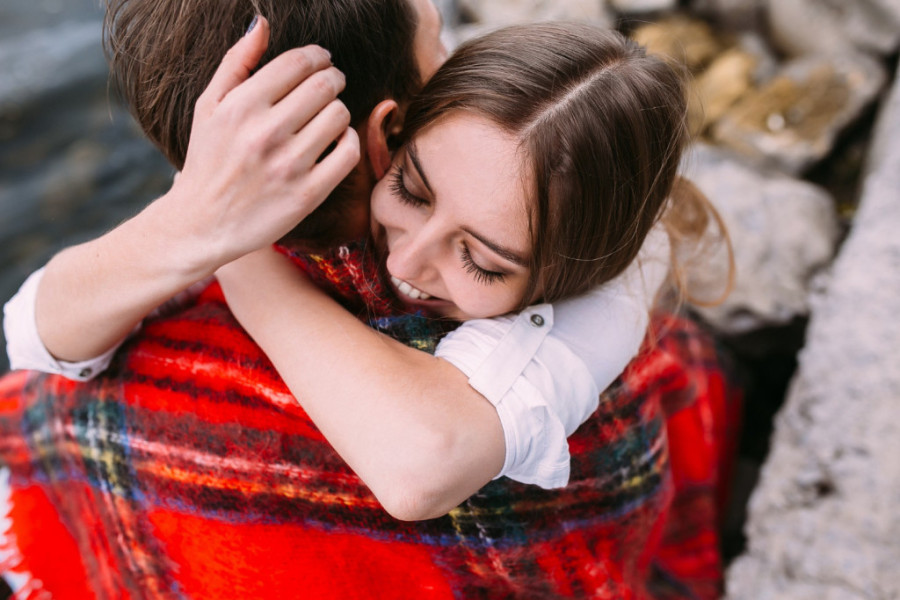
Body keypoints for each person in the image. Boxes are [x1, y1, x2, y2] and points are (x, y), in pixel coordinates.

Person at [0, 9, 737, 600]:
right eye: (410, 189)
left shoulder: (605, 277)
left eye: (482, 261)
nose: (409, 264)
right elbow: (37, 334)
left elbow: (424, 465)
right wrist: (195, 219)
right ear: (392, 130)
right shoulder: (248, 209)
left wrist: (229, 244)